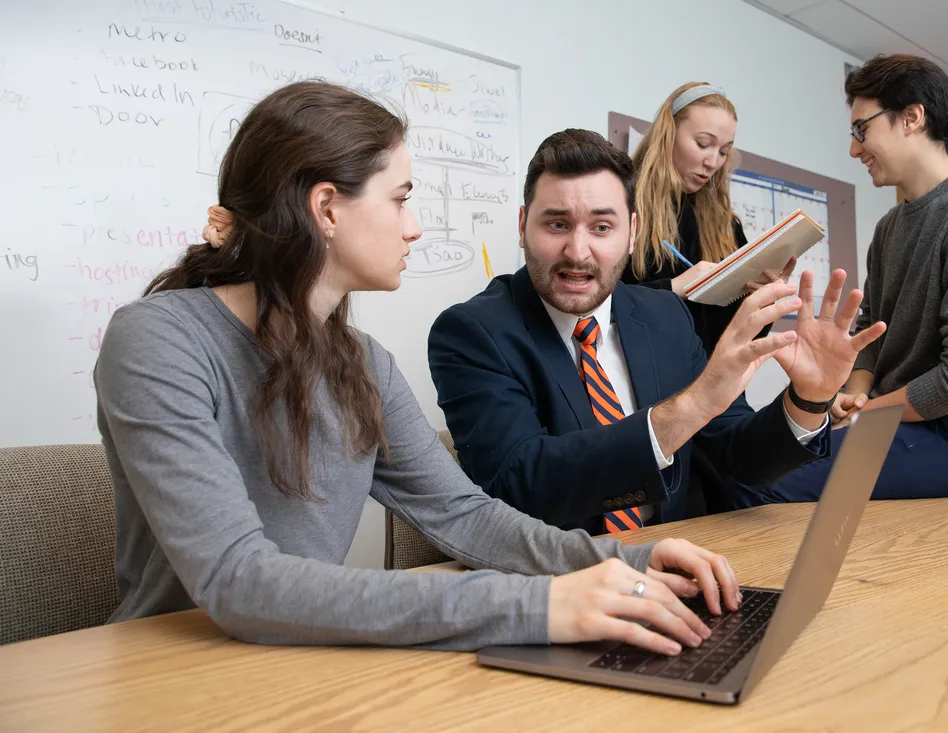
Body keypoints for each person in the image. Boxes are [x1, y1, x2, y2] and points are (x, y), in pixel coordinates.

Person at [94, 81, 761, 658]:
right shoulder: (158, 338)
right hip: (177, 670)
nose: (414, 227)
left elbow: (466, 516)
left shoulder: (362, 364)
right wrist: (535, 607)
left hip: (295, 659)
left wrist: (627, 561)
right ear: (326, 208)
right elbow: (239, 580)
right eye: (400, 199)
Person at [427, 128, 885, 535]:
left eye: (602, 226)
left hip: (676, 559)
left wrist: (808, 398)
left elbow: (734, 456)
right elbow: (517, 487)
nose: (578, 251)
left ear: (632, 233)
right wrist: (695, 403)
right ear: (523, 225)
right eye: (556, 224)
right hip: (560, 583)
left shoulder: (664, 314)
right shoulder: (472, 332)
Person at [753, 55, 948, 504]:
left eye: (862, 130)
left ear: (912, 117)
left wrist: (867, 414)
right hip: (894, 420)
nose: (853, 149)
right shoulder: (889, 228)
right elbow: (872, 331)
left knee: (768, 486)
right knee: (756, 462)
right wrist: (856, 394)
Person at [622, 81, 796, 357]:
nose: (713, 162)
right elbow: (597, 305)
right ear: (668, 135)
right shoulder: (622, 204)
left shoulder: (725, 225)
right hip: (642, 377)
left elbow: (738, 337)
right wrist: (674, 288)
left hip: (713, 379)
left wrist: (761, 300)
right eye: (703, 144)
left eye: (724, 151)